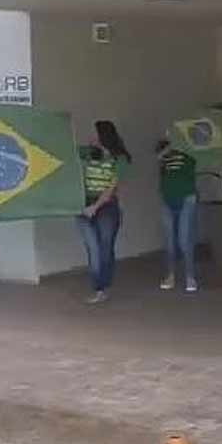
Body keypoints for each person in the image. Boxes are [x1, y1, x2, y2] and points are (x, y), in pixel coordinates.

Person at [77, 120, 131, 305]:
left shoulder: (120, 159)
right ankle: (98, 289)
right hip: (84, 205)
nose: (91, 137)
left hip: (106, 207)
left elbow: (111, 188)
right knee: (93, 248)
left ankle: (104, 285)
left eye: (94, 134)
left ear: (104, 136)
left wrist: (95, 207)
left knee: (105, 247)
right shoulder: (87, 153)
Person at [156, 138, 198, 293]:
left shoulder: (190, 152)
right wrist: (164, 152)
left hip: (187, 198)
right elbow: (160, 168)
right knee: (169, 241)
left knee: (184, 239)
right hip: (168, 199)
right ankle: (171, 275)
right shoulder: (164, 154)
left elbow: (194, 164)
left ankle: (190, 276)